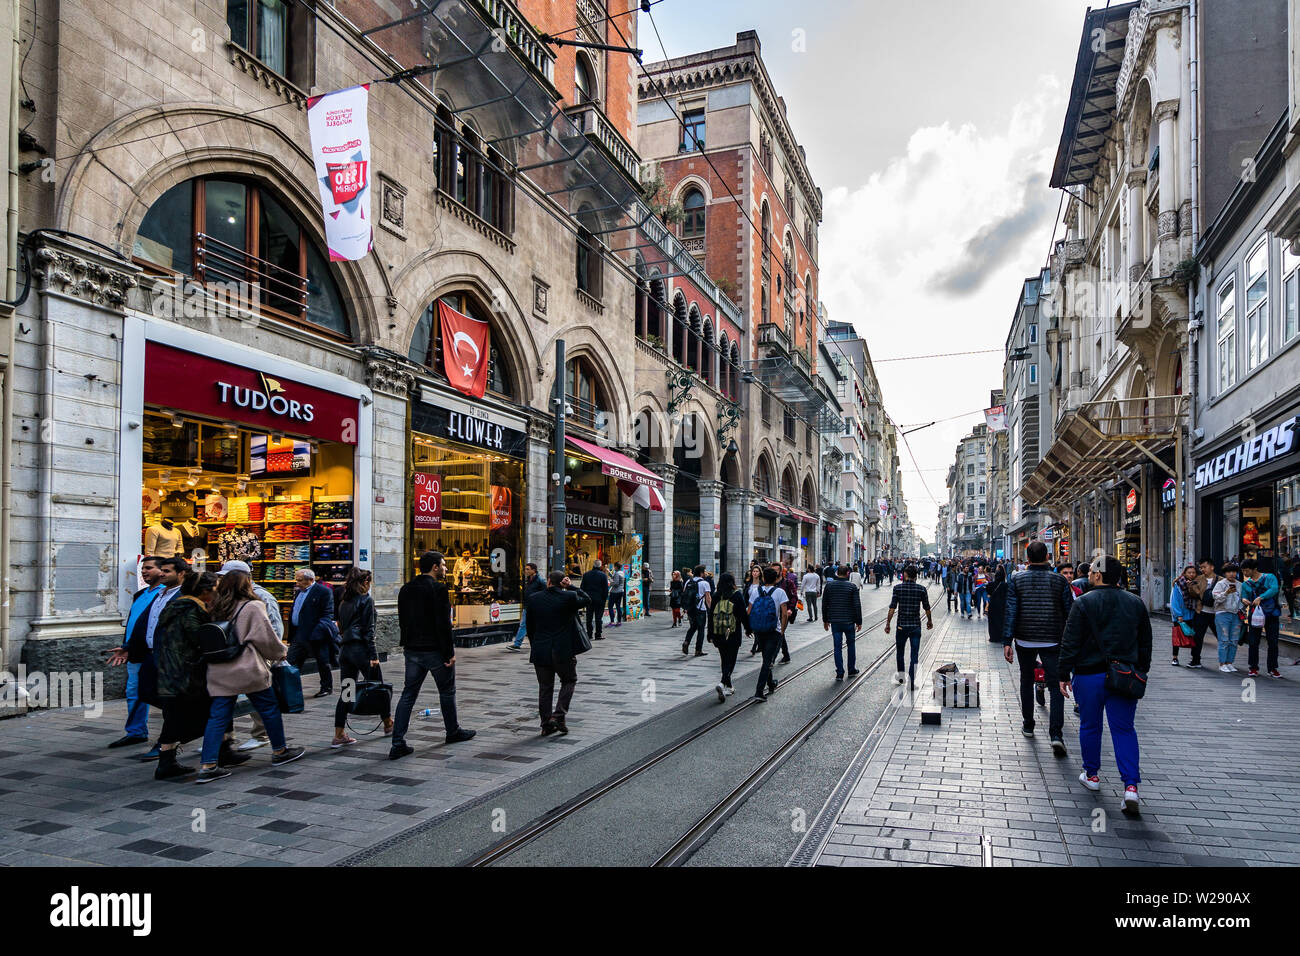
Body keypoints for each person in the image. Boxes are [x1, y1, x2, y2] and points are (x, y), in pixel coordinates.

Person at [1058, 555, 1152, 814]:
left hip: (1089, 676)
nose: (1088, 574)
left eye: (1091, 571)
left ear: (1098, 575)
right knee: (1124, 729)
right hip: (1124, 675)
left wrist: (1063, 673)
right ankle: (1131, 787)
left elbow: (1071, 640)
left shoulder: (1084, 603)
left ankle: (1092, 775)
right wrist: (1141, 670)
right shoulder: (1135, 603)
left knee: (1090, 725)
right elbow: (1145, 642)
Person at [196, 570, 306, 783]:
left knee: (218, 716)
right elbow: (265, 638)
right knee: (268, 709)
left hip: (220, 668)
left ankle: (208, 764)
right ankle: (280, 751)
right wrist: (280, 653)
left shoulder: (216, 607)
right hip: (247, 667)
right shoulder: (252, 606)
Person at [390, 551, 476, 760]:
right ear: (435, 567)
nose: (446, 568)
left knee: (408, 694)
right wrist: (449, 653)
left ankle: (397, 742)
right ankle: (452, 731)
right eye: (444, 565)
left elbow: (402, 619)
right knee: (447, 691)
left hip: (412, 649)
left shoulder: (406, 589)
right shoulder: (438, 589)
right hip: (434, 650)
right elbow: (443, 624)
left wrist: (408, 643)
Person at [1002, 540, 1075, 754]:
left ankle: (1028, 724)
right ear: (1047, 557)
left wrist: (1007, 641)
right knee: (1055, 685)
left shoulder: (1017, 579)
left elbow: (1011, 611)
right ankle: (1055, 734)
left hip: (1024, 639)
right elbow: (1069, 613)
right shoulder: (1059, 581)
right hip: (1053, 639)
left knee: (1026, 680)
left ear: (1027, 558)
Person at [152, 570, 219, 781]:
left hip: (170, 671)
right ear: (205, 591)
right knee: (197, 714)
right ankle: (168, 762)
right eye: (215, 589)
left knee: (173, 717)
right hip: (185, 673)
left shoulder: (176, 606)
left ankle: (167, 760)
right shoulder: (191, 610)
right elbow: (199, 640)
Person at [105, 556, 165, 749]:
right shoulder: (140, 594)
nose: (144, 571)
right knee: (133, 692)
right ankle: (136, 731)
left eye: (149, 568)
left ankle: (171, 736)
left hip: (152, 653)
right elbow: (134, 623)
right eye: (142, 569)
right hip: (134, 651)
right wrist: (126, 646)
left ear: (162, 571)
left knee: (159, 695)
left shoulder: (164, 595)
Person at [331, 568, 392, 748]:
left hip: (346, 651)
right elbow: (369, 631)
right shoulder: (366, 600)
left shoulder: (344, 602)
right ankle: (388, 723)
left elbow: (341, 627)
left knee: (347, 691)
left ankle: (339, 733)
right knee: (379, 687)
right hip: (362, 652)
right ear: (365, 582)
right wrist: (373, 656)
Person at [526, 570, 591, 735]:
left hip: (541, 649)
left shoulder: (534, 599)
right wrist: (572, 587)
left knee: (545, 688)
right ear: (563, 582)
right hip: (563, 649)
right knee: (569, 680)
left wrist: (536, 645)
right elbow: (587, 600)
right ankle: (559, 715)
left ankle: (546, 725)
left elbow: (530, 627)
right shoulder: (568, 597)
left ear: (548, 581)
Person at [287, 568, 337, 697]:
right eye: (296, 580)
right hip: (298, 634)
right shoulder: (299, 592)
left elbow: (327, 614)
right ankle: (291, 689)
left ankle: (326, 687)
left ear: (311, 580)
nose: (297, 583)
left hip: (315, 634)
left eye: (300, 580)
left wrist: (317, 632)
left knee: (322, 661)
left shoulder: (323, 592)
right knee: (291, 661)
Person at [885, 565, 932, 689]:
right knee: (914, 655)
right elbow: (927, 607)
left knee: (900, 653)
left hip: (901, 626)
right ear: (916, 576)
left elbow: (892, 608)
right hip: (915, 626)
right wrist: (929, 621)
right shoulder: (921, 589)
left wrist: (888, 623)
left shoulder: (898, 588)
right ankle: (911, 682)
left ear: (905, 575)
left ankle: (901, 679)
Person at [747, 566, 788, 701]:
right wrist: (782, 630)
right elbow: (784, 614)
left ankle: (771, 683)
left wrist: (750, 627)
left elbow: (749, 611)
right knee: (767, 661)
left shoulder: (755, 591)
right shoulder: (780, 592)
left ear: (763, 578)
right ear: (776, 578)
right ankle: (759, 691)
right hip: (773, 630)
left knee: (766, 657)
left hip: (759, 629)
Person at [1240, 558, 1282, 678]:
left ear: (1254, 569)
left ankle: (1273, 668)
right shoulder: (1246, 584)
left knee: (1273, 642)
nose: (1245, 573)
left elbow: (1274, 589)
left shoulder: (1269, 577)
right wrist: (1244, 600)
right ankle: (1253, 667)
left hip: (1271, 613)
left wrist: (1261, 597)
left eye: (1247, 570)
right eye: (1243, 571)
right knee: (1253, 642)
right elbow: (1243, 596)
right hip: (1254, 614)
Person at [709, 572, 747, 701]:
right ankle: (722, 682)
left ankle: (729, 686)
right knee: (731, 660)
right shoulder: (737, 595)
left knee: (724, 659)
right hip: (732, 632)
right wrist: (748, 629)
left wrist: (710, 634)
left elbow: (710, 615)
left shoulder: (716, 595)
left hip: (718, 633)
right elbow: (742, 614)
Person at [822, 564, 863, 681]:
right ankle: (851, 669)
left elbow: (825, 605)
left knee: (837, 647)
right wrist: (859, 621)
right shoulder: (852, 587)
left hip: (835, 621)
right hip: (849, 621)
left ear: (836, 573)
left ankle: (839, 672)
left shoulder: (829, 586)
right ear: (847, 574)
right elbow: (857, 605)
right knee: (851, 645)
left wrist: (825, 620)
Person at [1211, 564, 1243, 673]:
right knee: (1224, 639)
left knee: (1234, 640)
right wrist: (1226, 592)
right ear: (1225, 573)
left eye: (1234, 572)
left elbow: (1242, 600)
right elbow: (1216, 597)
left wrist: (1242, 609)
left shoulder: (1240, 585)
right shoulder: (1221, 584)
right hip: (1222, 613)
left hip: (1236, 614)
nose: (1232, 574)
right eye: (1229, 572)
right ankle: (1222, 663)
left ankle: (1230, 663)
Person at [508, 562, 545, 651]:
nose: (526, 571)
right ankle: (517, 644)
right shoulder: (528, 580)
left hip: (536, 607)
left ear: (534, 570)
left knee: (533, 625)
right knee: (524, 625)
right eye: (525, 569)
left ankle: (521, 644)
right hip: (527, 606)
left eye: (528, 569)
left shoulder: (540, 580)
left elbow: (545, 593)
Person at [1169, 563, 1199, 667]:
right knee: (1177, 636)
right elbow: (1174, 601)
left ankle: (1194, 659)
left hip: (1191, 614)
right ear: (1185, 573)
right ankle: (1175, 657)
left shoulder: (1196, 584)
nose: (1191, 574)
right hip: (1180, 615)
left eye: (1193, 572)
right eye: (1189, 572)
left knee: (1191, 637)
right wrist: (1179, 615)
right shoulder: (1178, 584)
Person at [682, 564, 712, 657]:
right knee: (701, 629)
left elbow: (685, 594)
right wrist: (710, 609)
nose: (706, 573)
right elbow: (708, 598)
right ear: (701, 573)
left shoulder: (688, 581)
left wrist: (685, 608)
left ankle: (686, 641)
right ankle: (698, 650)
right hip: (700, 609)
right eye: (705, 571)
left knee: (692, 627)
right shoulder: (705, 583)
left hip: (690, 609)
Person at [580, 560, 610, 642]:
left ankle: (589, 634)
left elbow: (582, 588)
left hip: (588, 598)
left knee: (589, 617)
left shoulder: (586, 575)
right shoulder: (603, 575)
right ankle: (598, 634)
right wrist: (604, 599)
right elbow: (605, 589)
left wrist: (583, 597)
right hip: (599, 599)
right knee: (598, 617)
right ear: (600, 566)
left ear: (593, 565)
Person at [986, 564, 1008, 645]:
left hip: (993, 605)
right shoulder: (1006, 585)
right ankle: (1002, 636)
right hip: (1003, 605)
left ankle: (994, 637)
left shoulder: (990, 585)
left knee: (993, 621)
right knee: (1002, 621)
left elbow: (988, 593)